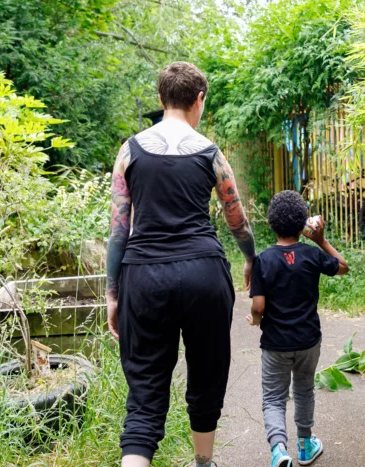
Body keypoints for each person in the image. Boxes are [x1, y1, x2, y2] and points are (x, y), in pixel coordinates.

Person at [105, 62, 256, 467]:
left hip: (143, 275)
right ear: (199, 99)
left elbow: (119, 230)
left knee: (145, 396)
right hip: (203, 275)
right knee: (206, 377)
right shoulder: (210, 152)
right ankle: (204, 463)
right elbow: (236, 219)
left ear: (161, 98)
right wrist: (250, 261)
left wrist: (112, 293)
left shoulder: (129, 151)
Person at [247, 190, 349, 467]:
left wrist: (256, 320)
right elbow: (343, 267)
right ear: (303, 223)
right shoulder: (311, 254)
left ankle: (279, 449)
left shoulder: (263, 260)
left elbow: (258, 307)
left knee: (273, 398)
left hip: (275, 344)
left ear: (271, 223)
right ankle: (305, 445)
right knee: (304, 390)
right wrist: (321, 240)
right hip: (308, 341)